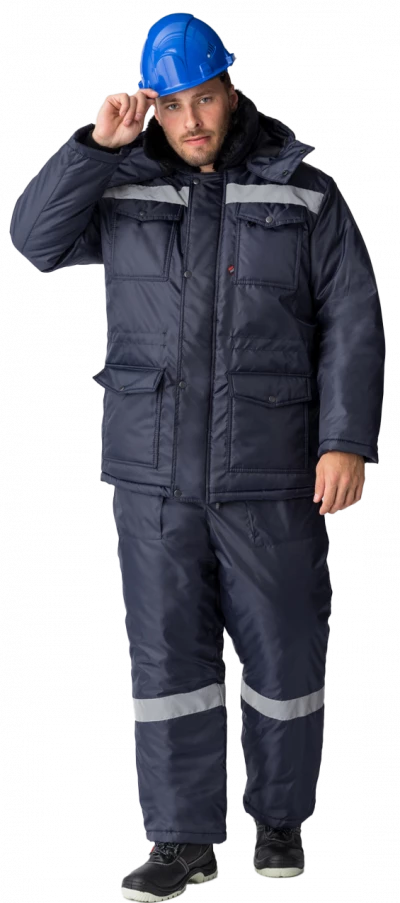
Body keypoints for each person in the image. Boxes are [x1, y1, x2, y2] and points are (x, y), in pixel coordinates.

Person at [9, 11, 386, 898]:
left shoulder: (304, 192)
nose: (191, 121)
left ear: (231, 90)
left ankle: (279, 823)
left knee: (285, 651)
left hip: (271, 466)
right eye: (172, 105)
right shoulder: (123, 187)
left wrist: (345, 441)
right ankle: (181, 840)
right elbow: (33, 240)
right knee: (168, 662)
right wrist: (94, 148)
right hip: (155, 475)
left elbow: (353, 319)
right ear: (151, 106)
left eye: (204, 99)